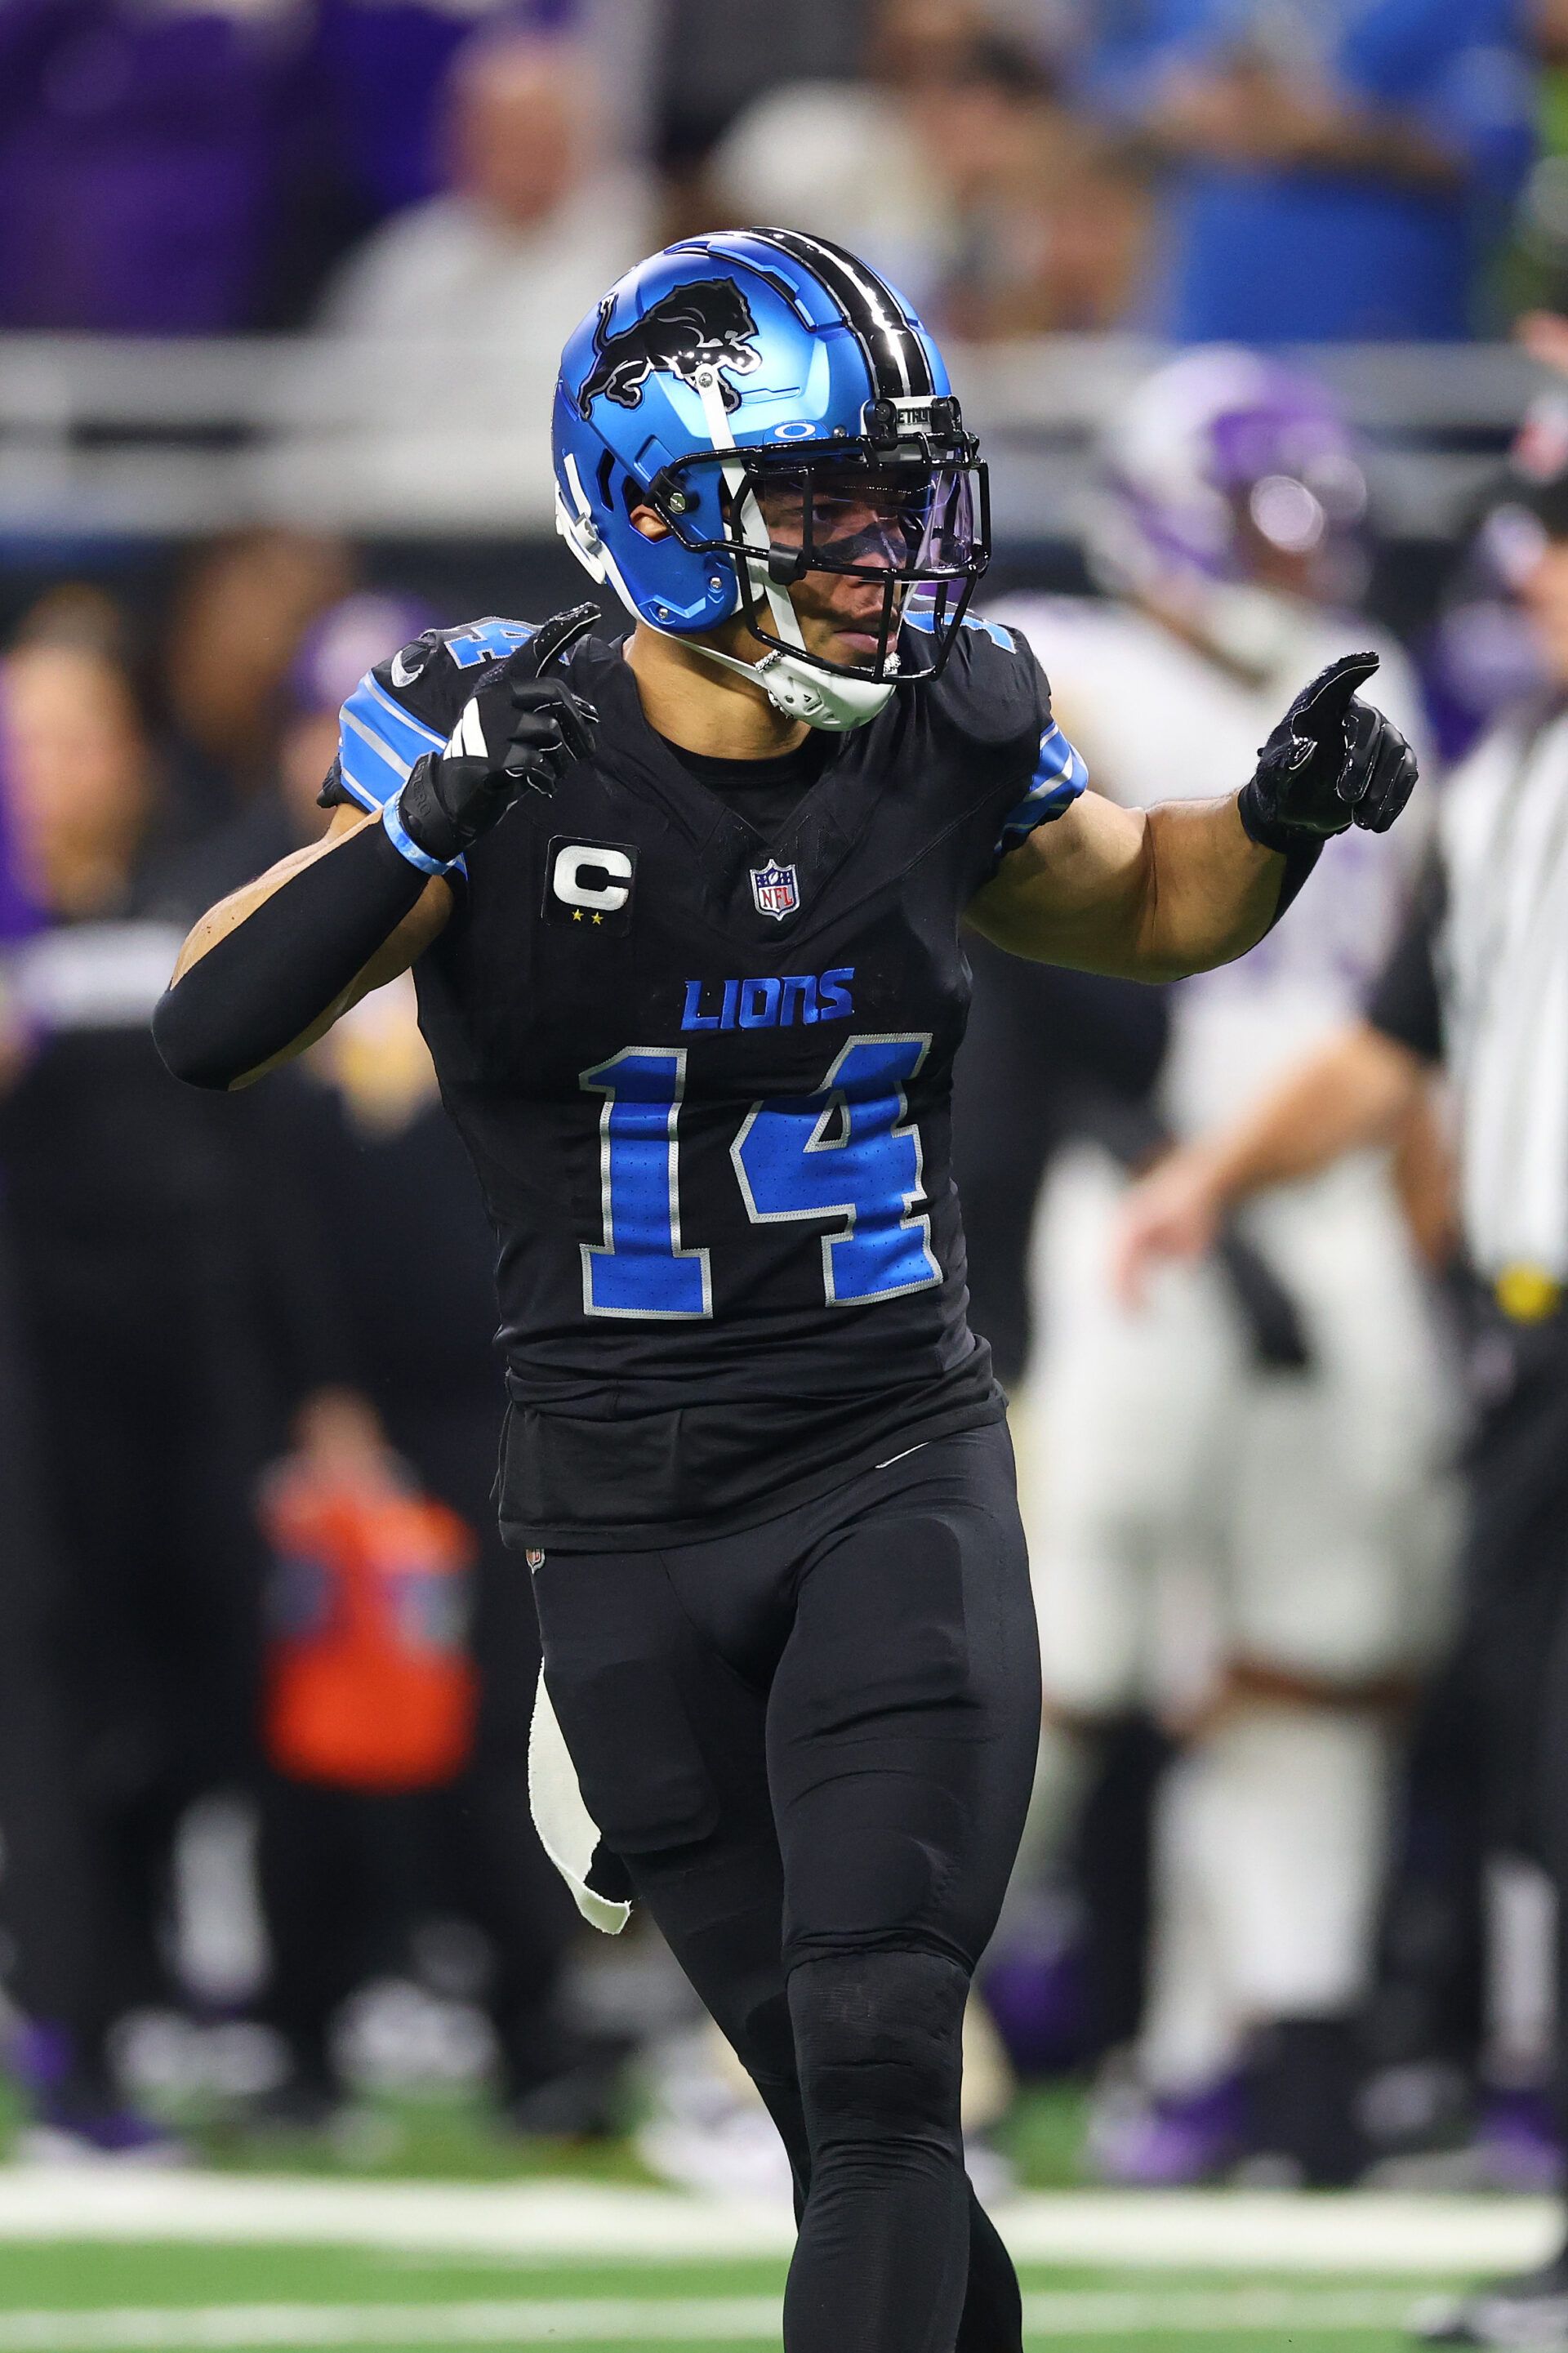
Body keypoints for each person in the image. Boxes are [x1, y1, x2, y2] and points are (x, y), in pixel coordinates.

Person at [154, 230, 1418, 2353]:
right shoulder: (503, 731)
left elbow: (1145, 903)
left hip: (884, 1460)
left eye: (895, 497)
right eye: (826, 502)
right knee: (859, 2132)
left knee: (892, 2061)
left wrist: (1273, 820)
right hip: (618, 1516)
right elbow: (214, 1022)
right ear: (662, 506)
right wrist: (419, 836)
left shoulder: (945, 728)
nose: (883, 550)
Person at [972, 348, 1454, 2186]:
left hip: (1318, 1204)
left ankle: (1281, 2060)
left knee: (1321, 1645)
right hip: (1131, 1192)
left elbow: (1406, 984)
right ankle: (868, 2021)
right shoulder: (1063, 670)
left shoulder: (1379, 687)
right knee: (1063, 1636)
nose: (1297, 555)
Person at [1111, 448, 1568, 2346]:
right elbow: (1397, 1054)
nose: (1529, 578)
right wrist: (1208, 1177)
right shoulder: (1496, 787)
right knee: (1546, 1774)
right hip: (1536, 1343)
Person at [1080, 0, 1534, 341]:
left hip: (1384, 326)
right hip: (1211, 315)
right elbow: (1094, 111)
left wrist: (1333, 132)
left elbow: (1491, 145)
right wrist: (1179, 105)